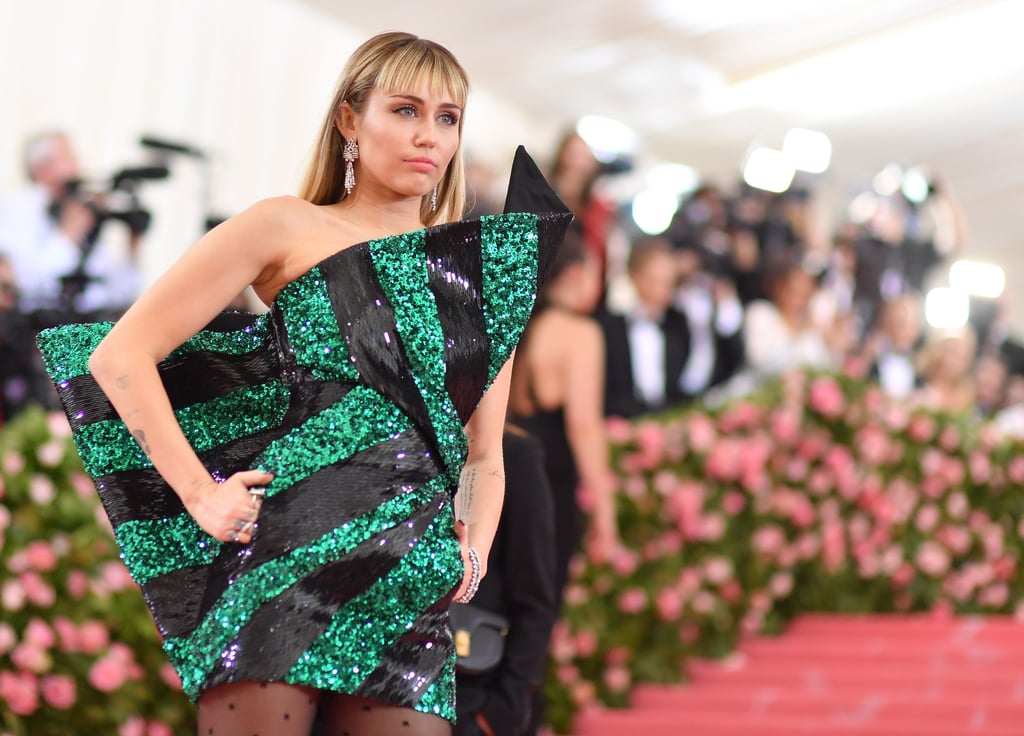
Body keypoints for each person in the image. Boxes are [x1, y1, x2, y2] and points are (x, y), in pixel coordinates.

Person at [35, 32, 571, 736]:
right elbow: (120, 356)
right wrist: (199, 492)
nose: (429, 136)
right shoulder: (284, 224)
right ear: (350, 119)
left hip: (409, 574)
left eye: (447, 118)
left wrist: (474, 549)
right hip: (279, 560)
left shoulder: (479, 272)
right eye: (406, 110)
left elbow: (484, 454)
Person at [508, 230, 618, 598]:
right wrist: (604, 510)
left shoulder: (516, 324)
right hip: (549, 480)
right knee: (539, 604)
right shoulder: (579, 332)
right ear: (574, 275)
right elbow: (584, 426)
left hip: (503, 472)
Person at [454, 425, 558, 736]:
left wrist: (501, 712)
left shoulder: (515, 454)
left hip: (471, 690)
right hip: (369, 685)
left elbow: (535, 599)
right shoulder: (397, 439)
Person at [0, 131, 141, 318]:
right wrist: (68, 236)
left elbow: (117, 294)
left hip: (90, 325)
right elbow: (28, 285)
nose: (77, 167)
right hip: (39, 331)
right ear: (41, 168)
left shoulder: (81, 210)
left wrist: (133, 245)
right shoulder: (16, 210)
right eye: (67, 158)